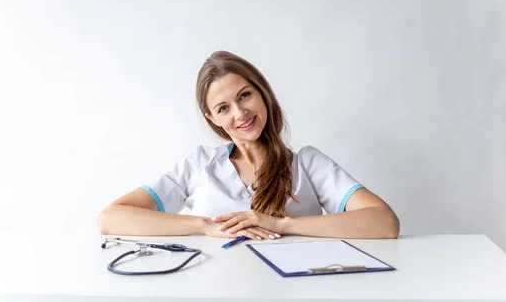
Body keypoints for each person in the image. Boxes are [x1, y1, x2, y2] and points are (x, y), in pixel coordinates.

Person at [98, 51, 400, 240]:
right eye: (223, 108)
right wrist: (205, 226)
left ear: (262, 92)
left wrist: (281, 225)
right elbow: (111, 219)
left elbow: (385, 223)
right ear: (212, 118)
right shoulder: (199, 165)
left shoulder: (307, 164)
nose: (240, 114)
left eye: (244, 95)